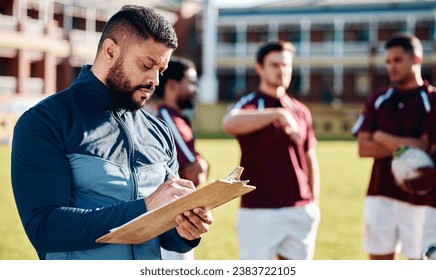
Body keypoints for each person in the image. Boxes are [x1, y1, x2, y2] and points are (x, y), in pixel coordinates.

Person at [10, 5, 212, 260]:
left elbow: (167, 236)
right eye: (147, 65)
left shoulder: (159, 131)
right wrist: (145, 207)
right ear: (110, 51)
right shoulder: (45, 121)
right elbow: (45, 228)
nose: (155, 80)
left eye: (160, 71)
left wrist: (187, 230)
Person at [222, 41, 321, 260]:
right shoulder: (250, 103)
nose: (282, 70)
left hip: (299, 209)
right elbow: (230, 123)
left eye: (286, 65)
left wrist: (313, 204)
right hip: (259, 210)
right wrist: (277, 114)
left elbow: (309, 158)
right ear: (260, 68)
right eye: (275, 65)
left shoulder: (301, 110)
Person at [352, 33, 436, 260]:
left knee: (419, 263)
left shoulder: (432, 99)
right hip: (380, 194)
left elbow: (424, 147)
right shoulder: (379, 98)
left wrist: (378, 135)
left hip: (422, 198)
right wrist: (407, 145)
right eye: (388, 61)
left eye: (397, 60)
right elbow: (363, 148)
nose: (391, 66)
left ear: (416, 59)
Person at [153, 56, 209, 260]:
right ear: (172, 85)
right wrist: (202, 163)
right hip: (170, 221)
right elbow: (195, 173)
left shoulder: (178, 118)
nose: (195, 89)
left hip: (181, 218)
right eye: (191, 83)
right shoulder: (166, 119)